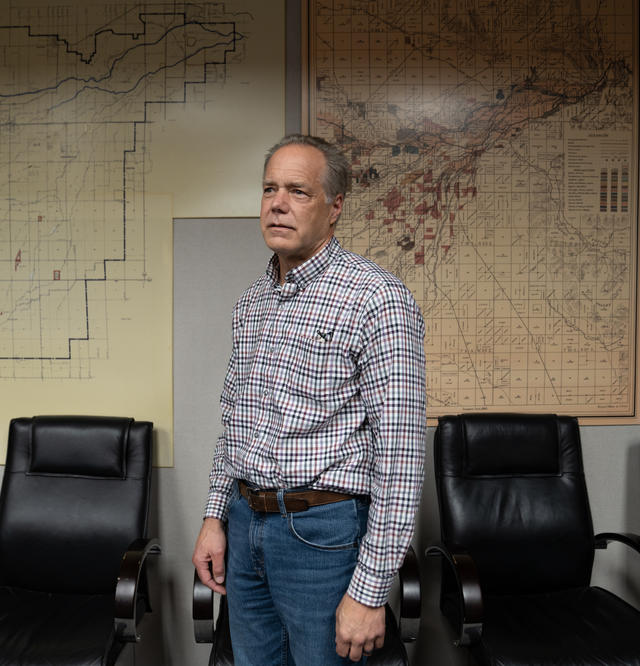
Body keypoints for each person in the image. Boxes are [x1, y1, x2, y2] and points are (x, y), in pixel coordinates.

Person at [191, 134, 426, 665]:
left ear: (334, 206)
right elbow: (236, 422)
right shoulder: (251, 303)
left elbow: (402, 459)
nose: (277, 203)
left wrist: (369, 592)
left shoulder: (377, 298)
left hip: (323, 538)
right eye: (269, 189)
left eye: (298, 190)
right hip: (246, 524)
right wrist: (213, 518)